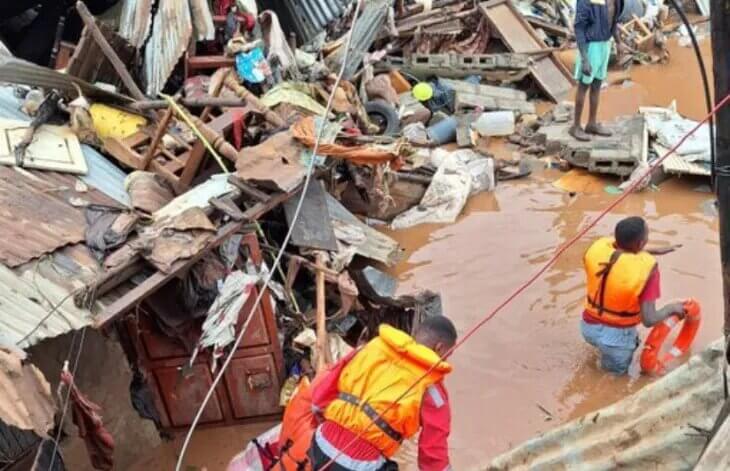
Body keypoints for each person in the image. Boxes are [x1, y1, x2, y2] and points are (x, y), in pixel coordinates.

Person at [308, 316, 457, 471]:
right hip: (361, 463)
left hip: (320, 442)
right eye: (448, 355)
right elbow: (433, 455)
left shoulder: (371, 347)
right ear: (439, 348)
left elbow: (321, 396)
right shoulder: (432, 387)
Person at [581, 216, 688, 375]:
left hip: (587, 328)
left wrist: (646, 251)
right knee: (613, 381)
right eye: (646, 237)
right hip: (616, 339)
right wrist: (672, 308)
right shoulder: (647, 270)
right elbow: (649, 320)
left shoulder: (597, 248)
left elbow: (617, 255)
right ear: (640, 244)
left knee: (601, 361)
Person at [570, 0, 624, 141]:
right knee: (583, 85)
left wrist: (618, 42)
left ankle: (591, 123)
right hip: (590, 46)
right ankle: (575, 127)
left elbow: (614, 21)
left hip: (605, 44)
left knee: (597, 85)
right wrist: (585, 58)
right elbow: (579, 27)